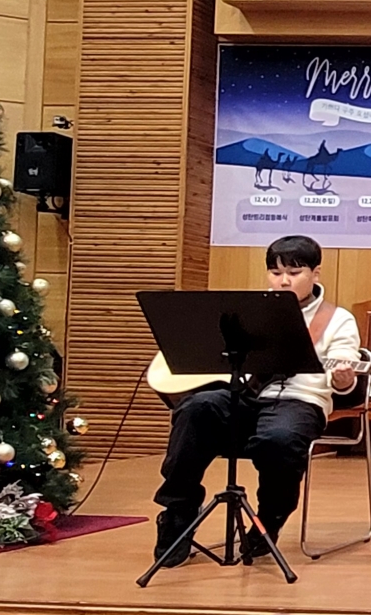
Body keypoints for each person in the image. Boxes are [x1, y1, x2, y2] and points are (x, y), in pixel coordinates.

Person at [153, 235, 359, 567]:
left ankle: (268, 522)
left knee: (280, 439)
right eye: (276, 273)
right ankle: (178, 512)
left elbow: (344, 378)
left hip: (299, 401)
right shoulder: (251, 310)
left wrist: (344, 377)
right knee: (195, 408)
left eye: (294, 272)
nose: (284, 281)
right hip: (245, 397)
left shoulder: (337, 319)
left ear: (315, 273)